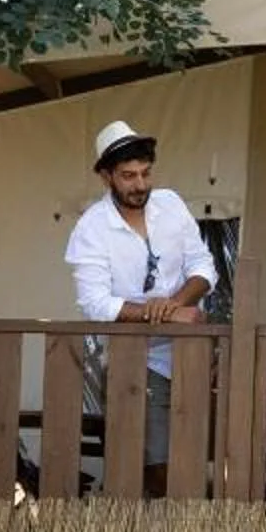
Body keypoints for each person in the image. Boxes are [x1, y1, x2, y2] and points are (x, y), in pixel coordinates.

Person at [63, 120, 218, 492]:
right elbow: (95, 303)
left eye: (146, 173)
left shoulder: (171, 204)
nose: (141, 185)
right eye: (129, 176)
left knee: (198, 460)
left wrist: (175, 305)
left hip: (192, 353)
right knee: (156, 467)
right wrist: (164, 314)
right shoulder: (91, 227)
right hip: (135, 359)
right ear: (106, 177)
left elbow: (203, 266)